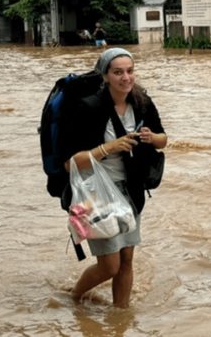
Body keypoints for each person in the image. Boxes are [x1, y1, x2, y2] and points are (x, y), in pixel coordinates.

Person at [62, 47, 168, 307]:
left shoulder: (142, 102)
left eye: (130, 71)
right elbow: (69, 163)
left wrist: (151, 138)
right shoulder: (88, 108)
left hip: (131, 192)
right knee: (110, 265)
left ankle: (121, 317)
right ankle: (74, 297)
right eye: (118, 72)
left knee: (127, 260)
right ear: (106, 76)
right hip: (96, 195)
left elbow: (163, 139)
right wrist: (109, 147)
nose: (126, 78)